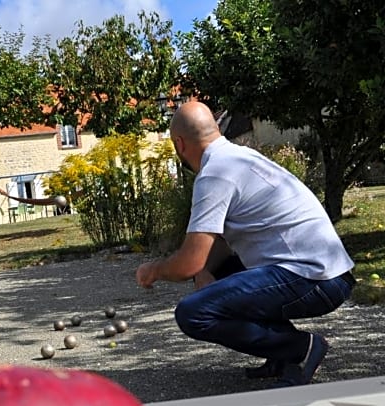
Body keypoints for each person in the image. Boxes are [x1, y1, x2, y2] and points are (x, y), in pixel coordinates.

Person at [136, 101, 355, 387]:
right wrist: (204, 271)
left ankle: (300, 349)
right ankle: (280, 356)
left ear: (179, 144)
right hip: (327, 273)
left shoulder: (214, 174)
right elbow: (214, 248)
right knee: (221, 271)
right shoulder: (238, 158)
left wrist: (154, 269)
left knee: (193, 313)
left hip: (315, 280)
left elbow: (187, 263)